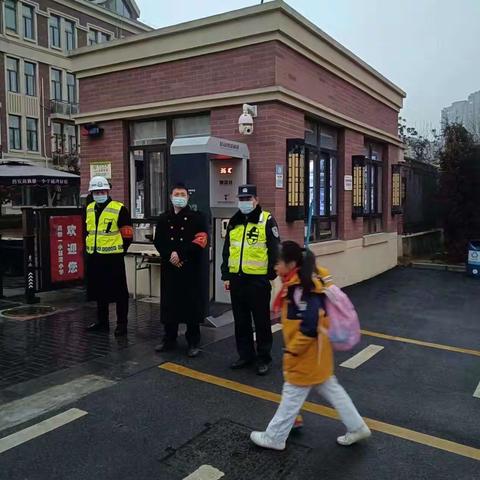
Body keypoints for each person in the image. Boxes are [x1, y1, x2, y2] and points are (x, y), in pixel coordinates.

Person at [250, 240, 371, 450]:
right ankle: (357, 427)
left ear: (290, 263)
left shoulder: (301, 287)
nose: (275, 267)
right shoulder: (302, 281)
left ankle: (275, 436)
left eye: (277, 263)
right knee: (331, 389)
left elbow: (310, 325)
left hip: (306, 354)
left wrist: (293, 349)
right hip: (318, 352)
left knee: (292, 394)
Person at [221, 184, 280, 376]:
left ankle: (263, 358)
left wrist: (270, 276)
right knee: (241, 321)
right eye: (242, 199)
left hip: (258, 282)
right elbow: (227, 250)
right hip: (237, 280)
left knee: (261, 321)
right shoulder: (234, 221)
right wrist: (226, 275)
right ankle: (245, 355)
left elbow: (274, 251)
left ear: (256, 200)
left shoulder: (266, 220)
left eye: (248, 199)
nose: (245, 203)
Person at [154, 183, 208, 358]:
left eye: (182, 194)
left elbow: (201, 241)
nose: (179, 197)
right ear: (170, 197)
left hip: (190, 268)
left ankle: (193, 341)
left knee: (191, 306)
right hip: (170, 268)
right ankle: (169, 338)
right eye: (176, 194)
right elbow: (159, 241)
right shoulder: (163, 218)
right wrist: (170, 255)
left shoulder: (197, 218)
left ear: (187, 197)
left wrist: (181, 255)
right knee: (170, 305)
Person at [85, 176, 133, 337]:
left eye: (102, 191)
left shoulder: (119, 209)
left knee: (120, 293)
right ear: (91, 193)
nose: (99, 193)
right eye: (96, 191)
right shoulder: (89, 207)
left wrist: (120, 251)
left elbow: (128, 235)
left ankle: (121, 324)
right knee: (99, 292)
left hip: (113, 258)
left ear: (108, 191)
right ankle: (102, 322)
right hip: (95, 256)